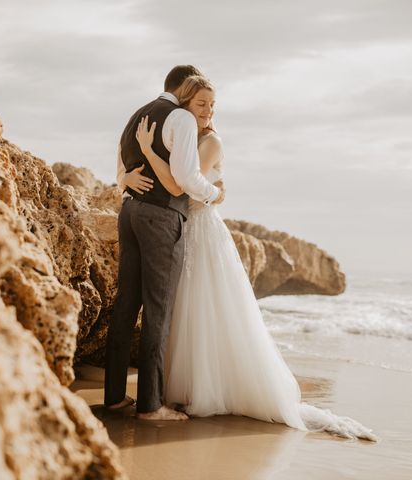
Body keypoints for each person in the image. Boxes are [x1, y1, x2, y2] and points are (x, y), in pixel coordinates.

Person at [133, 75, 377, 440]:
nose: (208, 112)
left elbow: (187, 187)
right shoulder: (184, 135)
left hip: (202, 229)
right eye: (201, 104)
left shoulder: (210, 141)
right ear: (185, 104)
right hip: (186, 227)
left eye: (212, 106)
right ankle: (178, 388)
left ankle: (204, 388)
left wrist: (192, 180)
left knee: (206, 303)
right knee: (185, 305)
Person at [104, 65, 225, 421]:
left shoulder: (136, 116)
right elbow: (183, 181)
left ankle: (114, 397)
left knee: (126, 304)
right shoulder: (181, 119)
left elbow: (120, 173)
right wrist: (214, 193)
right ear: (185, 90)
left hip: (129, 212)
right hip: (161, 215)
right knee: (159, 309)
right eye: (199, 100)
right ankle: (151, 405)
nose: (202, 109)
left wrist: (127, 178)